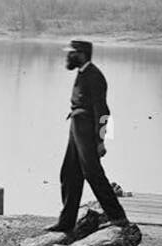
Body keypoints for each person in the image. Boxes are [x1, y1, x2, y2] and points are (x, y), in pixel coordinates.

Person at [47, 39, 129, 233]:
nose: (67, 57)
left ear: (81, 54)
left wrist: (101, 141)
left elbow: (104, 112)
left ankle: (118, 217)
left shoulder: (94, 76)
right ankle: (66, 222)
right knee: (69, 174)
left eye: (71, 53)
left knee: (93, 173)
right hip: (77, 127)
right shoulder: (82, 73)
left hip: (86, 129)